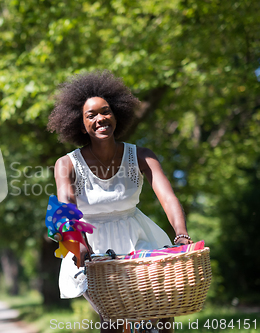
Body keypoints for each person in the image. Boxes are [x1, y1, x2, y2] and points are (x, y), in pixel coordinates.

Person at [47, 70, 192, 333]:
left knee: (160, 316)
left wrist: (181, 234)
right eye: (91, 115)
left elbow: (168, 196)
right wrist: (77, 245)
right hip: (93, 244)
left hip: (139, 238)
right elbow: (66, 205)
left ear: (116, 115)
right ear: (81, 126)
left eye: (106, 111)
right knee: (113, 322)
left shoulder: (141, 156)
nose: (101, 118)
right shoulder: (66, 164)